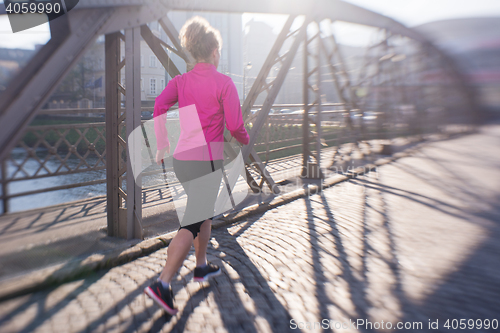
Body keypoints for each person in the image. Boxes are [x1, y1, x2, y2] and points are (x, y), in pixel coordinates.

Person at [144, 16, 249, 315]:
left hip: (183, 162)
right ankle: (163, 283)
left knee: (201, 212)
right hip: (207, 163)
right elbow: (236, 124)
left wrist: (163, 141)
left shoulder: (181, 81)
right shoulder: (224, 83)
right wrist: (244, 137)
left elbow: (159, 106)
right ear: (214, 50)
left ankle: (201, 266)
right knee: (191, 222)